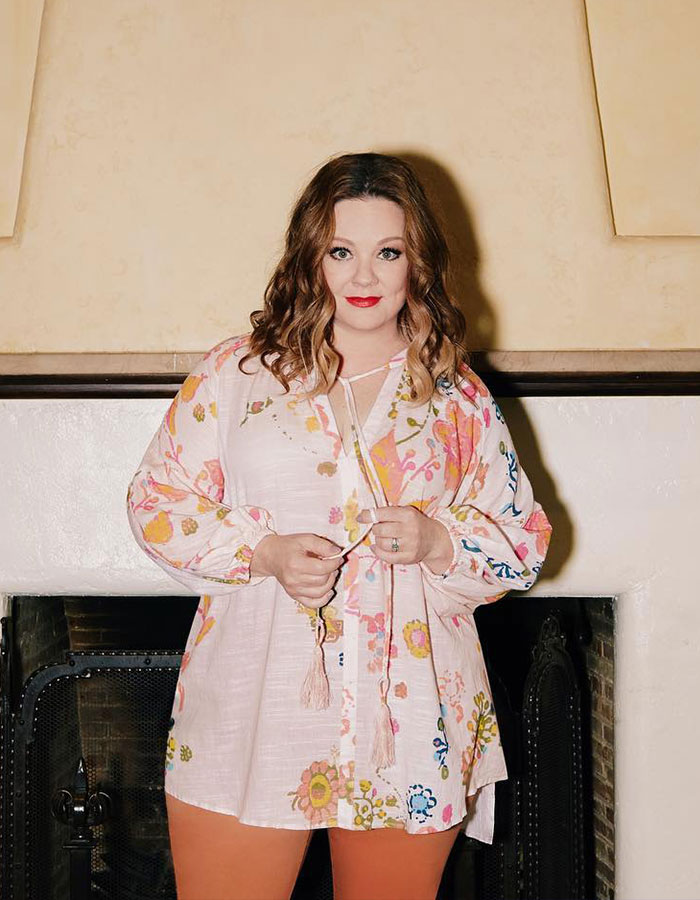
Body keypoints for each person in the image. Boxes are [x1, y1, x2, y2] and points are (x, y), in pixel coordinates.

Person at [126, 151, 552, 900]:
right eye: (341, 251)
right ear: (309, 257)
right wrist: (262, 552)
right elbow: (156, 500)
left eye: (388, 253)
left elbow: (523, 540)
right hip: (252, 710)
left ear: (417, 261)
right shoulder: (238, 376)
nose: (363, 278)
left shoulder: (457, 398)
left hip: (411, 719)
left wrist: (437, 540)